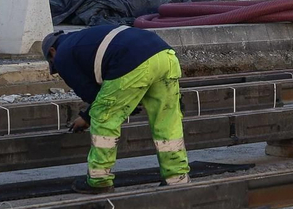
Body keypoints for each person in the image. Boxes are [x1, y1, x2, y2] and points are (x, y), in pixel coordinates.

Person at [43, 24, 190, 193]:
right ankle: (177, 178)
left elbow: (90, 93)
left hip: (133, 60)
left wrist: (88, 117)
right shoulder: (85, 39)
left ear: (52, 52)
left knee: (104, 117)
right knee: (167, 121)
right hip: (165, 55)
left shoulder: (62, 55)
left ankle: (99, 180)